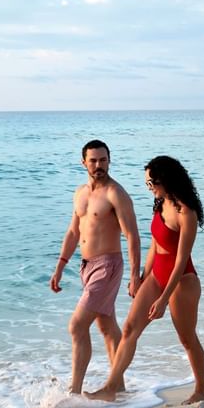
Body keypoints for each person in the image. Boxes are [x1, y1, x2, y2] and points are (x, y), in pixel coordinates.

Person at [85, 155, 204, 405]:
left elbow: (180, 260)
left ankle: (202, 388)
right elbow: (155, 244)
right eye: (147, 183)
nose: (150, 187)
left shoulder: (186, 213)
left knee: (187, 338)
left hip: (182, 280)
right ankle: (111, 387)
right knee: (130, 328)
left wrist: (164, 299)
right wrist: (142, 277)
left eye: (153, 182)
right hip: (157, 275)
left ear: (167, 179)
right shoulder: (160, 203)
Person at [50, 139, 141, 394]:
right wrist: (60, 265)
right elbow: (73, 232)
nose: (98, 165)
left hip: (108, 266)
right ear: (84, 162)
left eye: (103, 160)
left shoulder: (116, 194)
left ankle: (74, 392)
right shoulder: (80, 193)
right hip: (86, 267)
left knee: (77, 326)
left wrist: (134, 276)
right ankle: (118, 386)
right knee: (106, 326)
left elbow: (132, 235)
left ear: (109, 161)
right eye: (93, 160)